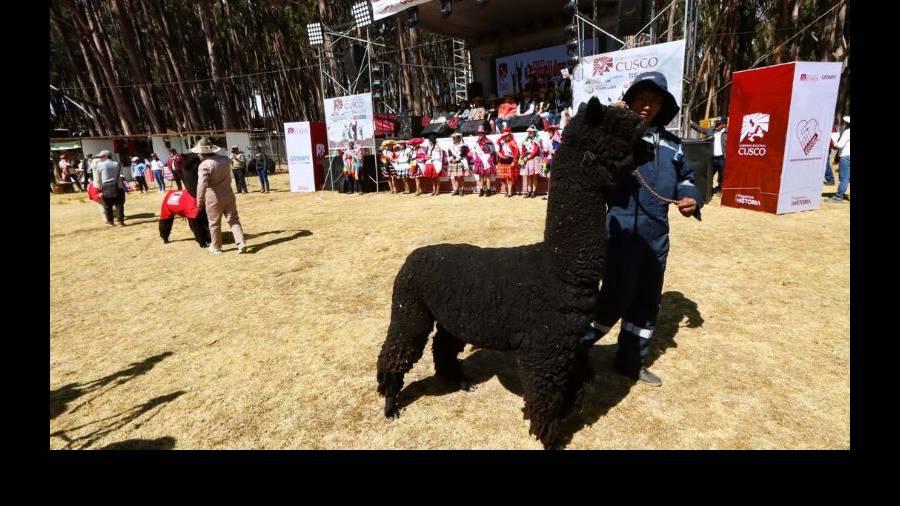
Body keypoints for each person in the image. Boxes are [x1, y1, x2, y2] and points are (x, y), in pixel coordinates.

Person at [584, 71, 703, 387]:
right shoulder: (617, 136)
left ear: (663, 106)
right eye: (641, 99)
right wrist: (612, 121)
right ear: (630, 99)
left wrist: (691, 197)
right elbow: (591, 153)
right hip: (621, 233)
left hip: (658, 238)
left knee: (647, 301)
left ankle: (630, 361)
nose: (647, 106)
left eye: (654, 101)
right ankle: (574, 350)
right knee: (613, 298)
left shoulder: (673, 145)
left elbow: (687, 179)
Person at [193, 138, 247, 254]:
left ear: (202, 152)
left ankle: (216, 246)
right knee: (233, 220)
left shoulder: (204, 165)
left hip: (213, 197)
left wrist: (199, 200)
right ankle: (241, 242)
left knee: (214, 223)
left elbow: (201, 185)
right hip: (228, 194)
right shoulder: (225, 160)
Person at [690, 117, 728, 194]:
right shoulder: (711, 130)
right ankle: (708, 189)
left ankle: (719, 189)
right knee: (709, 175)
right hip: (711, 158)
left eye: (719, 124)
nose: (716, 125)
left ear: (724, 125)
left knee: (722, 175)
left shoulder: (728, 133)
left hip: (722, 158)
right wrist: (692, 124)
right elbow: (701, 129)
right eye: (716, 123)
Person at [92, 150, 126, 226]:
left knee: (107, 205)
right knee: (119, 204)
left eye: (100, 157)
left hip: (106, 186)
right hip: (118, 186)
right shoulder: (117, 164)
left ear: (105, 156)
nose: (99, 158)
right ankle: (120, 222)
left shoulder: (101, 165)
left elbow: (97, 177)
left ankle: (110, 222)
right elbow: (121, 174)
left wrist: (98, 188)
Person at [470, 126, 496, 196]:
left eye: (481, 133)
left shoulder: (488, 141)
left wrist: (485, 150)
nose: (479, 135)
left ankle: (488, 190)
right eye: (478, 133)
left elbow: (492, 151)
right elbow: (475, 151)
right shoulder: (477, 142)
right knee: (480, 176)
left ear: (484, 134)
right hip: (479, 160)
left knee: (487, 176)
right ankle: (481, 190)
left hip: (487, 160)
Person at [519, 125, 543, 198]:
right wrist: (522, 156)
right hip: (527, 159)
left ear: (534, 132)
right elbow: (523, 150)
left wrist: (528, 157)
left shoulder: (537, 140)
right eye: (529, 132)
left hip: (534, 159)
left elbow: (536, 150)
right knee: (529, 176)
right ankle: (529, 191)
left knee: (534, 176)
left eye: (531, 131)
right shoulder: (525, 141)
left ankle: (534, 191)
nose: (530, 133)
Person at [830, 116, 850, 203]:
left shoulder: (847, 131)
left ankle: (838, 196)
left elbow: (840, 145)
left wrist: (834, 142)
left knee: (844, 178)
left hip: (845, 155)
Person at [495, 127, 519, 197]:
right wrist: (501, 137)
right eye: (504, 136)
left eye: (506, 135)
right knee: (504, 178)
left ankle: (510, 192)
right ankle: (507, 190)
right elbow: (498, 142)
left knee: (510, 177)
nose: (505, 137)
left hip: (510, 161)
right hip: (503, 161)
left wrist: (514, 162)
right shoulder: (502, 142)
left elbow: (516, 153)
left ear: (509, 135)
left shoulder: (513, 142)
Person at [541, 124, 561, 200]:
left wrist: (550, 151)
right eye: (548, 131)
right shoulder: (549, 139)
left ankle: (552, 194)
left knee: (552, 177)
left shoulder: (555, 140)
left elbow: (557, 150)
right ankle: (549, 193)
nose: (548, 133)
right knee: (548, 177)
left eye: (550, 131)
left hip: (553, 160)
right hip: (548, 160)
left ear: (553, 132)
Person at [446, 132, 469, 196]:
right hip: (453, 162)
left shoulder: (463, 146)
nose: (454, 139)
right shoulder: (451, 147)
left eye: (455, 138)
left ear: (459, 139)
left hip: (460, 162)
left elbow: (462, 154)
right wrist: (452, 159)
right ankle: (456, 189)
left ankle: (461, 190)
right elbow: (450, 153)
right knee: (455, 176)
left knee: (460, 176)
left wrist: (456, 159)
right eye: (453, 138)